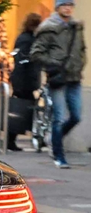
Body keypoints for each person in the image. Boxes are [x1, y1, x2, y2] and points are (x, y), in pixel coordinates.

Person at [31, 0, 86, 169]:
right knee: (59, 118)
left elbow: (81, 49)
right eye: (64, 5)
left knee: (76, 116)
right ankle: (59, 156)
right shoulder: (48, 27)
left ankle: (54, 139)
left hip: (75, 78)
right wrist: (53, 64)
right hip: (58, 78)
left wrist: (80, 63)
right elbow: (36, 53)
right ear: (57, 8)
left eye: (70, 5)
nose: (68, 8)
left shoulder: (77, 27)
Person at [7, 13, 42, 151]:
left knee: (23, 110)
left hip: (23, 81)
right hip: (24, 81)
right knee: (21, 110)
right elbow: (23, 61)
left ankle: (14, 139)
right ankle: (12, 140)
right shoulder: (27, 40)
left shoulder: (26, 38)